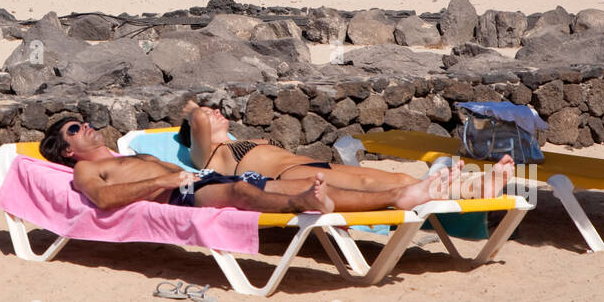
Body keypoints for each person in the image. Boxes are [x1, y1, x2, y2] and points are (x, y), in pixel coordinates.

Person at [41, 117, 477, 213]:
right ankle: (399, 197)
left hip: (200, 179)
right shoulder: (85, 172)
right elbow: (102, 198)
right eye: (77, 128)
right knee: (243, 192)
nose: (90, 127)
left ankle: (402, 195)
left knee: (304, 186)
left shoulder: (134, 154)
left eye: (87, 122)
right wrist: (167, 179)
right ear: (67, 150)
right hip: (182, 192)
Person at [176, 104, 513, 208]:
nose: (215, 111)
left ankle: (471, 188)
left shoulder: (237, 140)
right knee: (367, 181)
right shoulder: (209, 154)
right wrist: (192, 109)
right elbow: (199, 119)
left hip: (310, 165)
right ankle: (466, 189)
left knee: (396, 178)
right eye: (210, 111)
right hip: (291, 178)